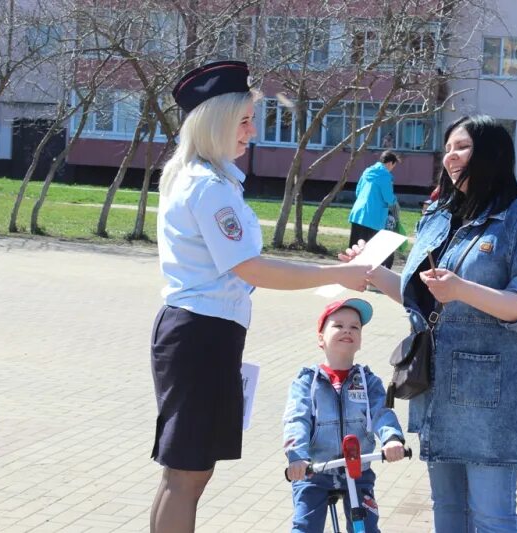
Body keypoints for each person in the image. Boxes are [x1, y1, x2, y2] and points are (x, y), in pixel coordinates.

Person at [149, 60, 371, 533]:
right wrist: (338, 273)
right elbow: (251, 268)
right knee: (187, 472)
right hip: (200, 333)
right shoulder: (208, 188)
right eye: (244, 121)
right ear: (216, 123)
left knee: (188, 471)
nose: (253, 131)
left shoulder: (209, 180)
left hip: (204, 330)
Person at [341, 115, 517, 532]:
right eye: (448, 148)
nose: (450, 156)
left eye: (462, 147)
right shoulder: (438, 216)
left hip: (493, 398)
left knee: (492, 516)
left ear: (491, 154)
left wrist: (461, 289)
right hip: (437, 388)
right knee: (448, 511)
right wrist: (368, 271)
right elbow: (419, 292)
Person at [284, 298, 406, 533]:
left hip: (357, 469)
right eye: (338, 325)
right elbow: (296, 419)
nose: (347, 330)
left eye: (354, 327)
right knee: (305, 526)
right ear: (321, 338)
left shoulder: (367, 380)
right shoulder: (307, 382)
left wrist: (392, 439)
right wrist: (297, 456)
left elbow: (381, 412)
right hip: (314, 471)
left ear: (359, 340)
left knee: (366, 527)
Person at [348, 150, 400, 269]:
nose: (392, 169)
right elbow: (388, 197)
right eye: (394, 166)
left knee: (355, 245)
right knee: (371, 247)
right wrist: (394, 200)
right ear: (390, 163)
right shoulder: (385, 176)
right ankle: (369, 275)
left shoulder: (367, 171)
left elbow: (358, 191)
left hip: (358, 213)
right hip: (373, 216)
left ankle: (351, 272)